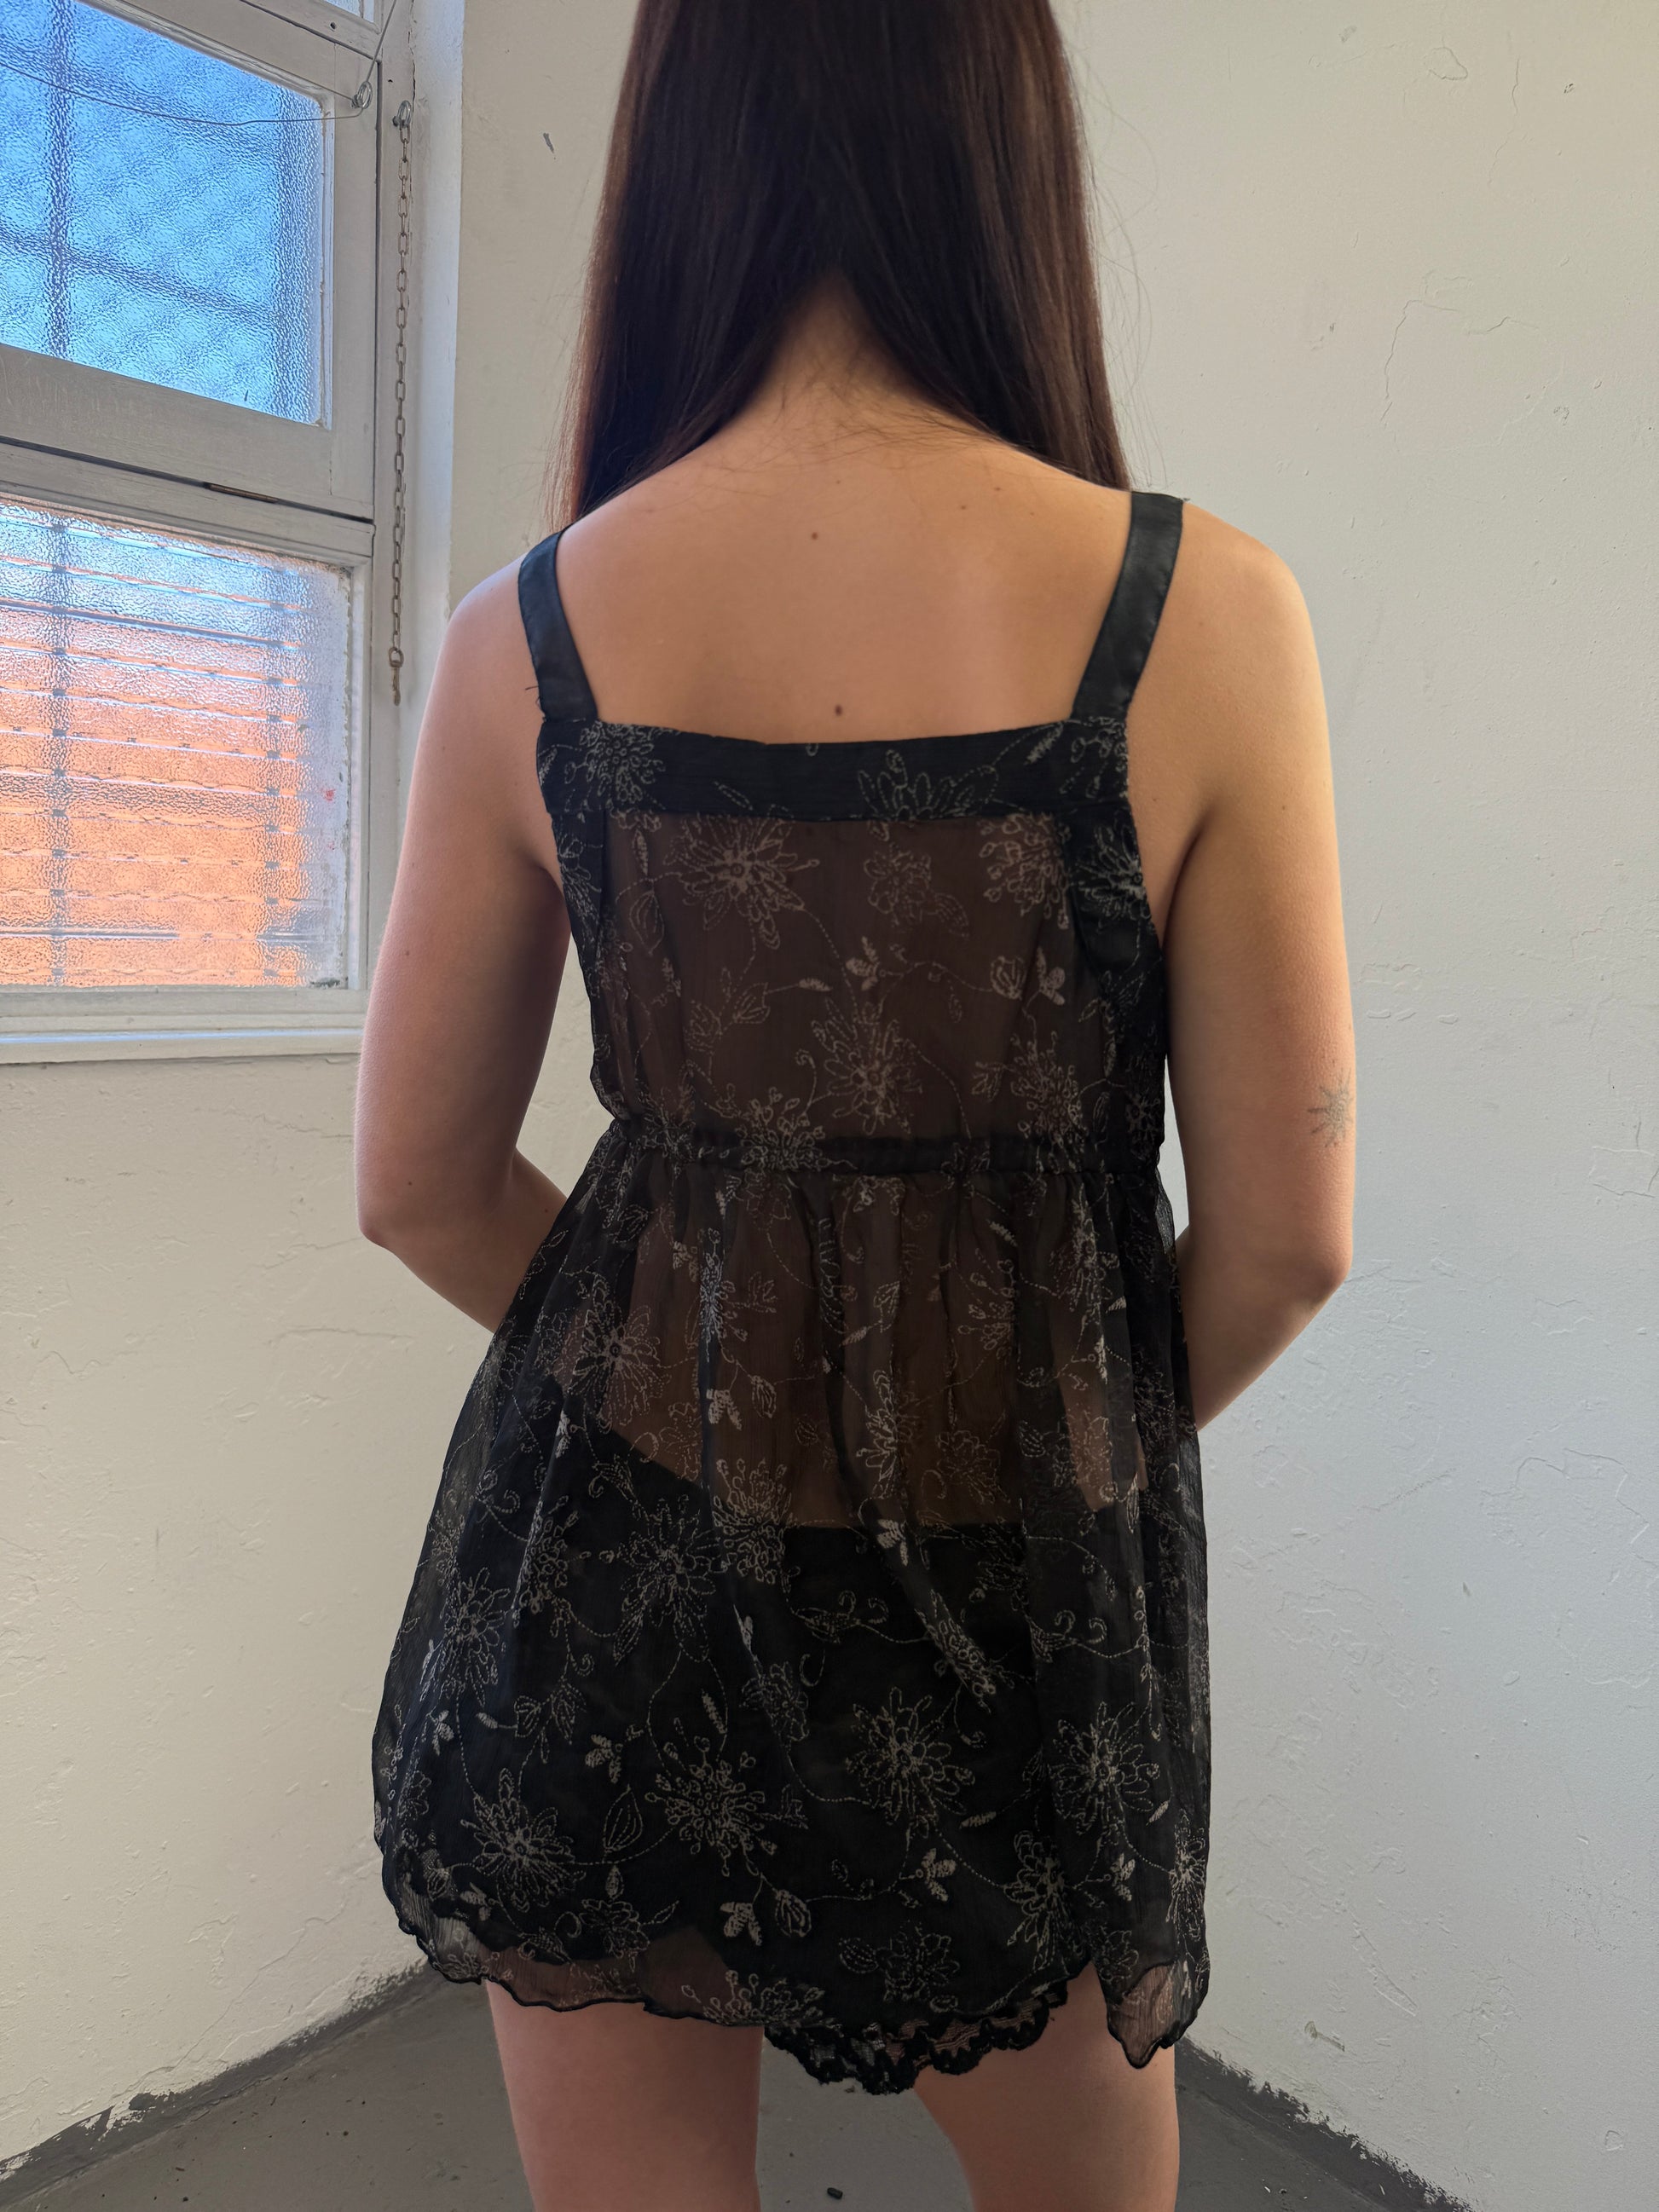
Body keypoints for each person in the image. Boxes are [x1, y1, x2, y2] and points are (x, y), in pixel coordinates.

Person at [355, 3, 1354, 2207]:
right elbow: (1288, 1241)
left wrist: (723, 1407)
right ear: (1008, 152)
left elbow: (417, 1187)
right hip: (1004, 1619)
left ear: (674, 157)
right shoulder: (1200, 613)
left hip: (604, 1572)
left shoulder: (526, 632)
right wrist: (991, 1453)